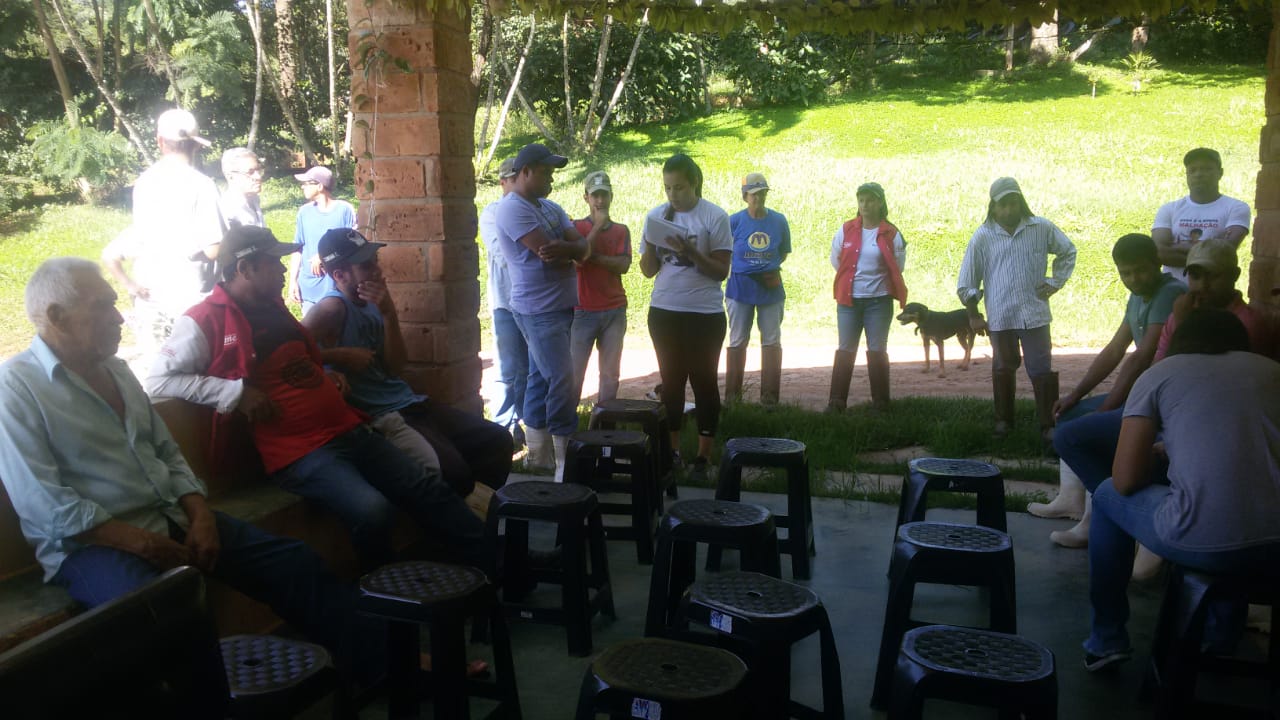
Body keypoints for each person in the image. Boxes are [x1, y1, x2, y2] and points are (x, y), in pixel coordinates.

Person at [0, 257, 383, 695]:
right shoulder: (16, 387)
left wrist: (200, 515)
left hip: (172, 517)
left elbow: (167, 451)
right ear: (56, 317)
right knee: (167, 618)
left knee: (294, 563)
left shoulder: (117, 370)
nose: (119, 317)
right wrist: (148, 545)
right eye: (103, 306)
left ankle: (378, 668)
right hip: (91, 547)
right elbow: (44, 504)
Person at [145, 225, 487, 571]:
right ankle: (383, 591)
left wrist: (321, 372)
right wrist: (234, 392)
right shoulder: (204, 319)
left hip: (347, 428)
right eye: (273, 262)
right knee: (373, 509)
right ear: (245, 268)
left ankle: (493, 561)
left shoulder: (272, 305)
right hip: (299, 452)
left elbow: (293, 361)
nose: (283, 269)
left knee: (424, 486)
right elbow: (159, 380)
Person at [1081, 309, 1280, 672]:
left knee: (1107, 496)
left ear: (1177, 342)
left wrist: (1156, 456)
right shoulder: (1271, 371)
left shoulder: (1159, 374)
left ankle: (1106, 640)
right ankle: (1222, 637)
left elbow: (1125, 480)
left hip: (1204, 543)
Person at [303, 227, 513, 497]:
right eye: (366, 266)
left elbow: (395, 367)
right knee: (454, 474)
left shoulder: (372, 301)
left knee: (496, 440)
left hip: (409, 402)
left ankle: (480, 508)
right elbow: (289, 353)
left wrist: (389, 314)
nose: (376, 270)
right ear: (340, 275)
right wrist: (338, 356)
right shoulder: (331, 308)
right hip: (383, 414)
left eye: (375, 261)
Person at [1032, 234, 1186, 548]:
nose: (1134, 279)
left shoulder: (1169, 293)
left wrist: (1108, 407)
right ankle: (1071, 499)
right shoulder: (1138, 297)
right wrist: (1076, 395)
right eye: (1126, 273)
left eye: (1140, 270)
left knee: (1087, 429)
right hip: (1144, 393)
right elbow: (1115, 349)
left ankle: (1099, 517)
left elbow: (1142, 356)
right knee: (1071, 414)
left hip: (1163, 399)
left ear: (1157, 264)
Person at [492, 143, 594, 481]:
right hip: (537, 310)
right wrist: (572, 249)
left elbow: (584, 248)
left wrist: (570, 248)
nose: (551, 179)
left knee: (539, 376)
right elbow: (548, 254)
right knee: (563, 378)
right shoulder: (511, 208)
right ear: (525, 172)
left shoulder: (551, 207)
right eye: (545, 172)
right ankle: (566, 463)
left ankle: (539, 458)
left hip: (561, 307)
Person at [957, 177, 1076, 441]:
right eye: (1003, 205)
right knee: (1003, 366)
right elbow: (967, 280)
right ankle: (1004, 421)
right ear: (993, 206)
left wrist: (1055, 282)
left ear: (1021, 202)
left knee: (1041, 368)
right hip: (1001, 315)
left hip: (1035, 314)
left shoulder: (1041, 227)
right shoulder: (983, 236)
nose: (1009, 210)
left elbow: (1068, 251)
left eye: (1013, 203)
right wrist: (974, 315)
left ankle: (1048, 425)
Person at [639, 153, 732, 484]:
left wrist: (689, 251)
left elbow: (720, 271)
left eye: (679, 187)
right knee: (672, 381)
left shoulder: (714, 216)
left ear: (695, 183)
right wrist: (651, 245)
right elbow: (647, 270)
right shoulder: (656, 216)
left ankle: (704, 456)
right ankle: (673, 452)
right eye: (667, 188)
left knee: (704, 381)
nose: (672, 195)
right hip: (664, 310)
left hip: (704, 313)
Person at [102, 108, 223, 354]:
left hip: (152, 299)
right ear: (196, 145)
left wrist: (131, 284)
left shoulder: (145, 182)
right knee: (196, 365)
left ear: (159, 141)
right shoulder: (202, 185)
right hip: (191, 301)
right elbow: (213, 249)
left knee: (158, 366)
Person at [827, 181, 906, 413]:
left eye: (870, 200)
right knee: (845, 348)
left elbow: (898, 266)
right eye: (861, 200)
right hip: (849, 300)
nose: (865, 205)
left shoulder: (891, 233)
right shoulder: (846, 229)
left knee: (877, 349)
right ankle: (836, 402)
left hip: (879, 301)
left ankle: (880, 403)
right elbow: (836, 259)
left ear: (880, 203)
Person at [725, 172, 791, 406]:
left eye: (762, 193)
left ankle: (770, 399)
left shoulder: (779, 220)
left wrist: (764, 267)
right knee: (737, 339)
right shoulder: (734, 221)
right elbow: (724, 251)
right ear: (745, 196)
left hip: (770, 286)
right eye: (754, 194)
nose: (758, 198)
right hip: (740, 287)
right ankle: (733, 398)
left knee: (771, 339)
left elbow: (783, 252)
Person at [571, 170, 631, 404]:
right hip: (582, 310)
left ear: (611, 196)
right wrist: (596, 228)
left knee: (610, 374)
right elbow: (577, 261)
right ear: (586, 197)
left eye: (604, 195)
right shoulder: (576, 227)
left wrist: (592, 256)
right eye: (595, 195)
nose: (600, 200)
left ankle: (605, 420)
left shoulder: (621, 230)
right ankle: (567, 422)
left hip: (614, 309)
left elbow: (623, 265)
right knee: (574, 373)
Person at [480, 158, 528, 448]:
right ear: (502, 183)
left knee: (529, 368)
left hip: (532, 302)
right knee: (507, 369)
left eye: (520, 177)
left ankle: (526, 423)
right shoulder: (492, 213)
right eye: (512, 179)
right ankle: (503, 429)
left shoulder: (533, 209)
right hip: (506, 304)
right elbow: (503, 256)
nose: (517, 184)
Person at [1152, 147, 1251, 283]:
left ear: (1220, 173)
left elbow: (1225, 252)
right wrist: (1208, 252)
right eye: (1192, 170)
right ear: (1187, 175)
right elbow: (1158, 253)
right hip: (1172, 289)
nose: (1198, 174)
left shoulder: (1236, 207)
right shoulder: (1169, 209)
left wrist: (1177, 247)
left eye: (1207, 169)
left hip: (1214, 291)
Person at [288, 166, 355, 314]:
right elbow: (297, 248)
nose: (302, 187)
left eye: (306, 183)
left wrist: (323, 255)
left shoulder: (344, 210)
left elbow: (353, 245)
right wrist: (293, 281)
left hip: (337, 287)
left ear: (319, 186)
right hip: (310, 288)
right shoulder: (304, 212)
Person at [219, 147, 265, 229]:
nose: (258, 177)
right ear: (230, 176)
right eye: (250, 172)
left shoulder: (254, 199)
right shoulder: (227, 212)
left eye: (258, 170)